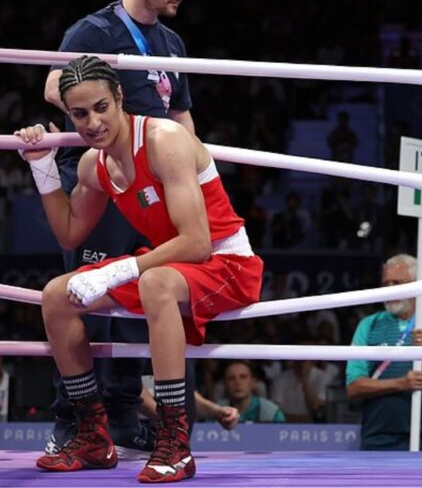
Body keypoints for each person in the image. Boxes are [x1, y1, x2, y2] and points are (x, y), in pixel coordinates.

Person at [15, 55, 263, 482]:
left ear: (120, 98)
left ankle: (174, 442)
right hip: (167, 265)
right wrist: (42, 167)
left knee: (154, 281)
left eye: (100, 108)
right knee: (57, 296)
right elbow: (70, 234)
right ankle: (92, 434)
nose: (92, 123)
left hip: (225, 262)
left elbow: (198, 241)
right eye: (79, 114)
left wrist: (119, 270)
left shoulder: (164, 140)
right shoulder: (95, 165)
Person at [43, 0, 195, 458]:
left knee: (141, 300)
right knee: (83, 295)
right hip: (104, 178)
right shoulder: (94, 30)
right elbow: (56, 86)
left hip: (153, 180)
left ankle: (126, 417)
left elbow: (180, 114)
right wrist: (101, 114)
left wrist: (193, 172)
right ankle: (75, 421)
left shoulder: (171, 42)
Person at [346, 254, 422, 450]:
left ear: (416, 286)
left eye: (397, 283)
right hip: (377, 437)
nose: (391, 289)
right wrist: (400, 383)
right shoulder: (369, 325)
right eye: (386, 283)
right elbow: (353, 387)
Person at [219, 361, 286, 423]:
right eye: (231, 378)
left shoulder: (272, 413)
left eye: (243, 377)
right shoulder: (216, 411)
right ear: (225, 384)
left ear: (253, 382)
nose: (237, 382)